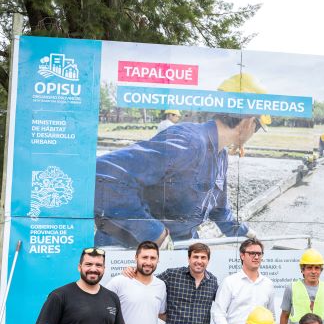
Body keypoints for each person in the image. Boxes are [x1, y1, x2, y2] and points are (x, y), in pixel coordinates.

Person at [94, 72, 268, 249]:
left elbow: (219, 209)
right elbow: (104, 174)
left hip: (177, 245)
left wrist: (244, 233)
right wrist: (152, 233)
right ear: (248, 122)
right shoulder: (190, 143)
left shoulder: (220, 154)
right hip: (130, 248)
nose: (254, 133)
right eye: (258, 127)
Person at [280, 248, 324, 324]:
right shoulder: (291, 288)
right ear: (302, 270)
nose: (313, 271)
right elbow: (284, 316)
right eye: (309, 267)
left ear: (321, 270)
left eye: (317, 268)